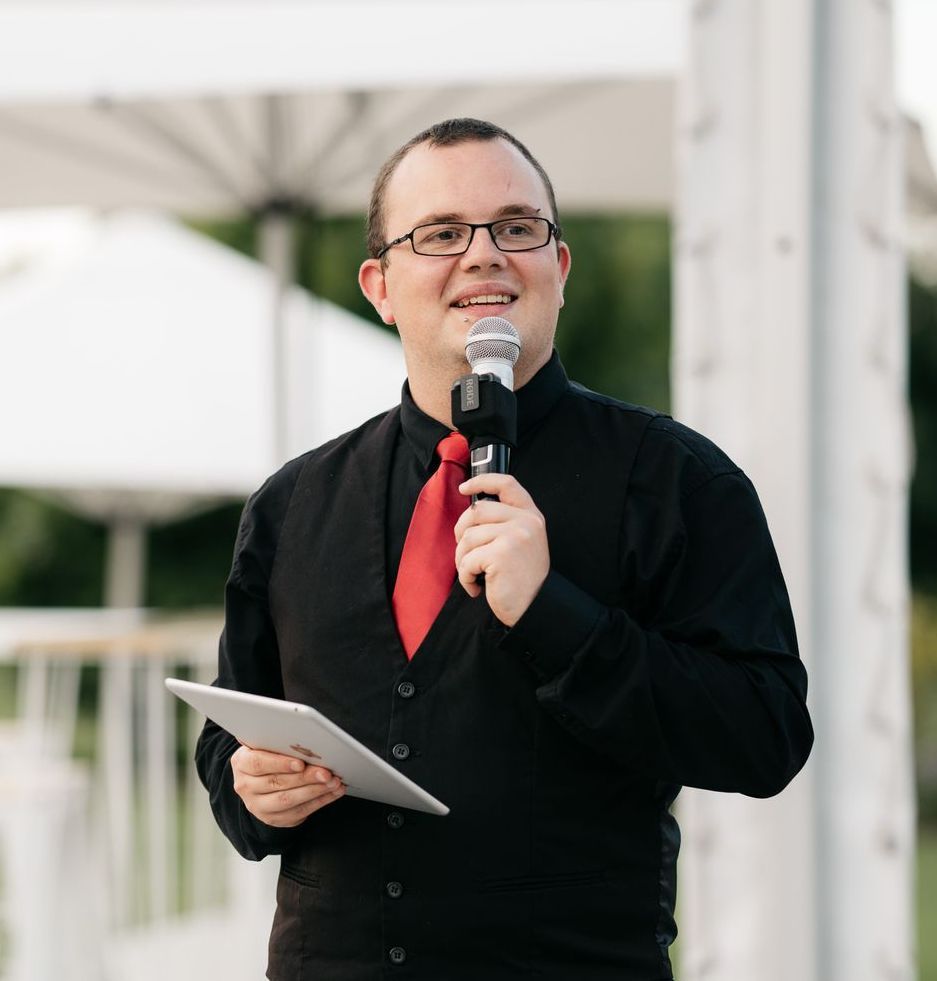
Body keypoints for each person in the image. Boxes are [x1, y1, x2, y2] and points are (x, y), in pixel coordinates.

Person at [196, 117, 813, 980]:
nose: (483, 255)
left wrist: (557, 616)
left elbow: (764, 733)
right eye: (441, 233)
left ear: (557, 266)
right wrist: (252, 788)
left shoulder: (678, 481)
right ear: (379, 284)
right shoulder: (292, 502)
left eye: (516, 228)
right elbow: (228, 740)